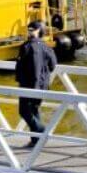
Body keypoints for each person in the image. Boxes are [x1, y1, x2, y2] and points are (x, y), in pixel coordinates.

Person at [14, 20, 58, 149]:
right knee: (34, 110)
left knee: (24, 111)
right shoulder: (46, 47)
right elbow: (53, 65)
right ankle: (36, 141)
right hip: (42, 85)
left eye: (32, 29)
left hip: (28, 85)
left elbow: (26, 66)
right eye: (29, 29)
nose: (30, 31)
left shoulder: (27, 46)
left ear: (39, 31)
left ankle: (42, 132)